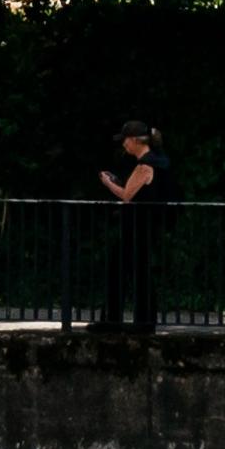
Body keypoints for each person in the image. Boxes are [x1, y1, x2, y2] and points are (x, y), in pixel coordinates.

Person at [97, 119, 171, 333]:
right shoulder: (160, 160)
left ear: (133, 140)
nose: (123, 145)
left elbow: (127, 196)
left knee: (119, 270)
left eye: (125, 141)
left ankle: (114, 321)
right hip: (148, 226)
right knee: (141, 273)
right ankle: (143, 322)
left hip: (137, 227)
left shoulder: (145, 165)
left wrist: (108, 183)